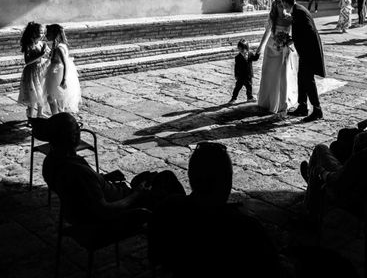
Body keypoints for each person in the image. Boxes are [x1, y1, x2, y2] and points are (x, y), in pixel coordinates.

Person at [149, 142, 281, 278]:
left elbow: (155, 259)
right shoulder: (246, 230)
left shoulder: (167, 209)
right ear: (227, 183)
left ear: (191, 177)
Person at [41, 112, 185, 225]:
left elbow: (85, 189)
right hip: (119, 212)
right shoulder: (77, 171)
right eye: (78, 128)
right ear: (73, 137)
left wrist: (105, 178)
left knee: (148, 177)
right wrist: (137, 194)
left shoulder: (50, 162)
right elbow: (104, 210)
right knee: (167, 181)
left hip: (79, 212)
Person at [281, 0, 326, 123]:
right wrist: (291, 40)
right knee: (301, 78)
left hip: (309, 52)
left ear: (284, 2)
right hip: (306, 51)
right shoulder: (298, 10)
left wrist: (292, 40)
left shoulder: (299, 12)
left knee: (308, 80)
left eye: (282, 3)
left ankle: (317, 109)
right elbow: (301, 32)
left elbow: (308, 33)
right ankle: (302, 106)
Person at [256, 0, 299, 115]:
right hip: (270, 49)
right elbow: (267, 33)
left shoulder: (289, 18)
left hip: (283, 51)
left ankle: (281, 103)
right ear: (275, 8)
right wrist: (260, 48)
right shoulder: (272, 19)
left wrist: (289, 43)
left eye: (282, 5)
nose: (282, 7)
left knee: (281, 77)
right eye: (279, 6)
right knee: (268, 75)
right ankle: (267, 101)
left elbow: (294, 34)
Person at [44, 24, 81, 115]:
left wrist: (64, 79)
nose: (46, 35)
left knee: (54, 97)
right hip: (54, 72)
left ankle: (57, 116)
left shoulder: (59, 48)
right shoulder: (57, 46)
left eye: (48, 33)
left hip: (57, 74)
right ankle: (58, 116)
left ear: (55, 34)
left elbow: (65, 63)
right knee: (54, 97)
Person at [17, 21, 49, 120]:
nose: (43, 35)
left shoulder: (42, 43)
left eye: (43, 32)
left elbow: (47, 54)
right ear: (34, 33)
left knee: (42, 92)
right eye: (40, 32)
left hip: (41, 70)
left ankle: (40, 112)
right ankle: (30, 117)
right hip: (31, 72)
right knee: (33, 94)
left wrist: (49, 55)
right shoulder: (29, 45)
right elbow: (27, 61)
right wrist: (41, 54)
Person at [229, 39, 260, 104]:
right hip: (241, 76)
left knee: (249, 87)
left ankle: (249, 97)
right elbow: (236, 67)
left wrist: (258, 53)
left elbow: (255, 58)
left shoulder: (250, 54)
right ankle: (233, 98)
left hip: (248, 75)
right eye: (240, 49)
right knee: (237, 88)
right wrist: (236, 75)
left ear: (247, 48)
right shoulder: (237, 57)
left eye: (243, 49)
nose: (242, 50)